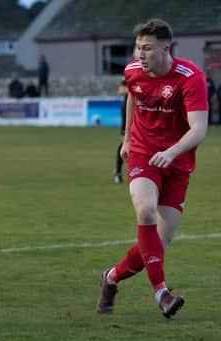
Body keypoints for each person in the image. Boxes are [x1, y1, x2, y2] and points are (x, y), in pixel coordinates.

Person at [97, 18, 208, 318]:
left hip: (178, 161)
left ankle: (110, 278)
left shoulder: (190, 78)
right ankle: (162, 294)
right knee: (144, 210)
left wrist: (172, 152)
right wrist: (128, 136)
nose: (139, 54)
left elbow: (199, 129)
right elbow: (134, 95)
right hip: (144, 154)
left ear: (165, 49)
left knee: (158, 243)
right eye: (137, 47)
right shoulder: (133, 71)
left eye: (146, 48)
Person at [113, 79, 128, 184]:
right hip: (127, 131)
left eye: (120, 86)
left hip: (131, 131)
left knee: (123, 149)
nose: (119, 89)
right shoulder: (126, 99)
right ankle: (118, 172)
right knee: (122, 149)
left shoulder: (130, 99)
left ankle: (118, 172)